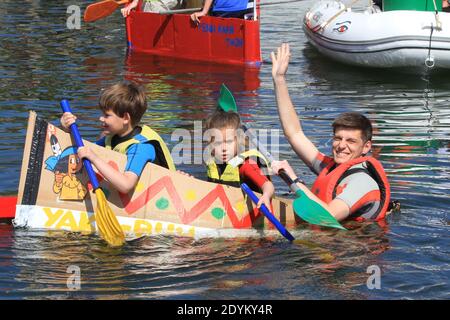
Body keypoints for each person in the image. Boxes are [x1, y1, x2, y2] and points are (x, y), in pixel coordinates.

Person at [270, 43, 392, 222]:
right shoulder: (329, 167)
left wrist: (293, 179)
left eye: (351, 141)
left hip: (350, 247)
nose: (341, 145)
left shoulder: (362, 182)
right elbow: (294, 133)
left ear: (366, 147)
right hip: (325, 240)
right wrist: (279, 80)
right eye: (338, 138)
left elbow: (327, 216)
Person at [60, 82, 176, 194]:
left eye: (107, 115)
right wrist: (68, 130)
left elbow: (126, 186)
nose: (101, 118)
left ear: (125, 118)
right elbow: (84, 150)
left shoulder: (141, 147)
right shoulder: (113, 137)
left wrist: (94, 158)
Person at [204, 86, 274, 209]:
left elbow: (268, 186)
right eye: (218, 143)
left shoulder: (246, 165)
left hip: (251, 209)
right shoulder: (213, 163)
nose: (224, 148)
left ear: (238, 141)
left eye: (229, 142)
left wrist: (266, 196)